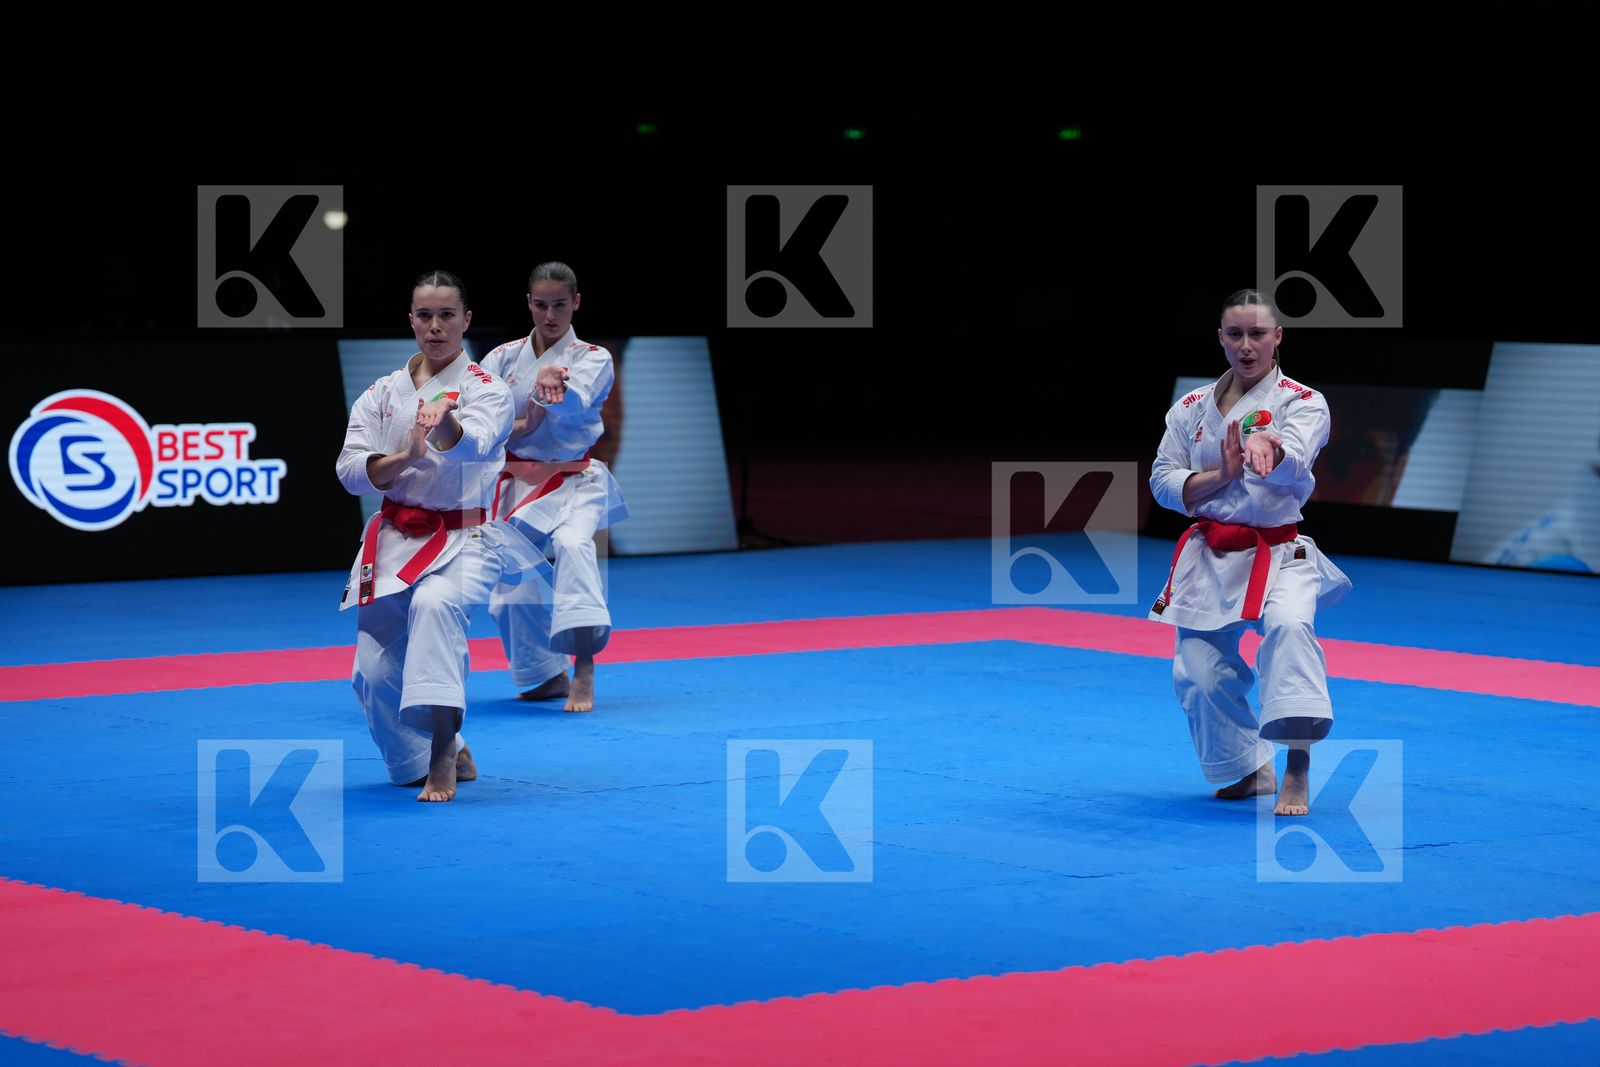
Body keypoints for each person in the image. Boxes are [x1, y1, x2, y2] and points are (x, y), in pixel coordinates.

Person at [1148, 289, 1352, 815]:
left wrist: (1271, 450)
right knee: (1197, 670)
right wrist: (1223, 474)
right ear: (1221, 338)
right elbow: (1163, 481)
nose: (1246, 345)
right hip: (1211, 553)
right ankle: (1246, 767)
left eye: (1258, 333)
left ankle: (1297, 768)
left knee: (1288, 629)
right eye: (1235, 334)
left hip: (1281, 551)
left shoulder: (1301, 402)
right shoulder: (1190, 408)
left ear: (1277, 337)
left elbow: (1299, 453)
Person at [336, 271, 537, 801]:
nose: (435, 325)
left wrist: (444, 421)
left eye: (447, 314)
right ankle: (419, 758)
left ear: (466, 320)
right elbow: (350, 469)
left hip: (468, 536)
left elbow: (473, 446)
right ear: (411, 320)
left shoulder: (487, 389)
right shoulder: (381, 393)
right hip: (396, 536)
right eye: (424, 315)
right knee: (373, 672)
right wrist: (404, 456)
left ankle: (444, 745)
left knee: (435, 604)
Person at [479, 262, 628, 713]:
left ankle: (584, 664)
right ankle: (541, 674)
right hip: (518, 482)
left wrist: (551, 387)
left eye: (559, 305)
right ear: (528, 302)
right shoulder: (502, 358)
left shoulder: (592, 356)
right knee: (510, 577)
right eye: (541, 305)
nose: (549, 315)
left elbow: (576, 402)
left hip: (574, 480)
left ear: (575, 303)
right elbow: (487, 419)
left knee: (574, 544)